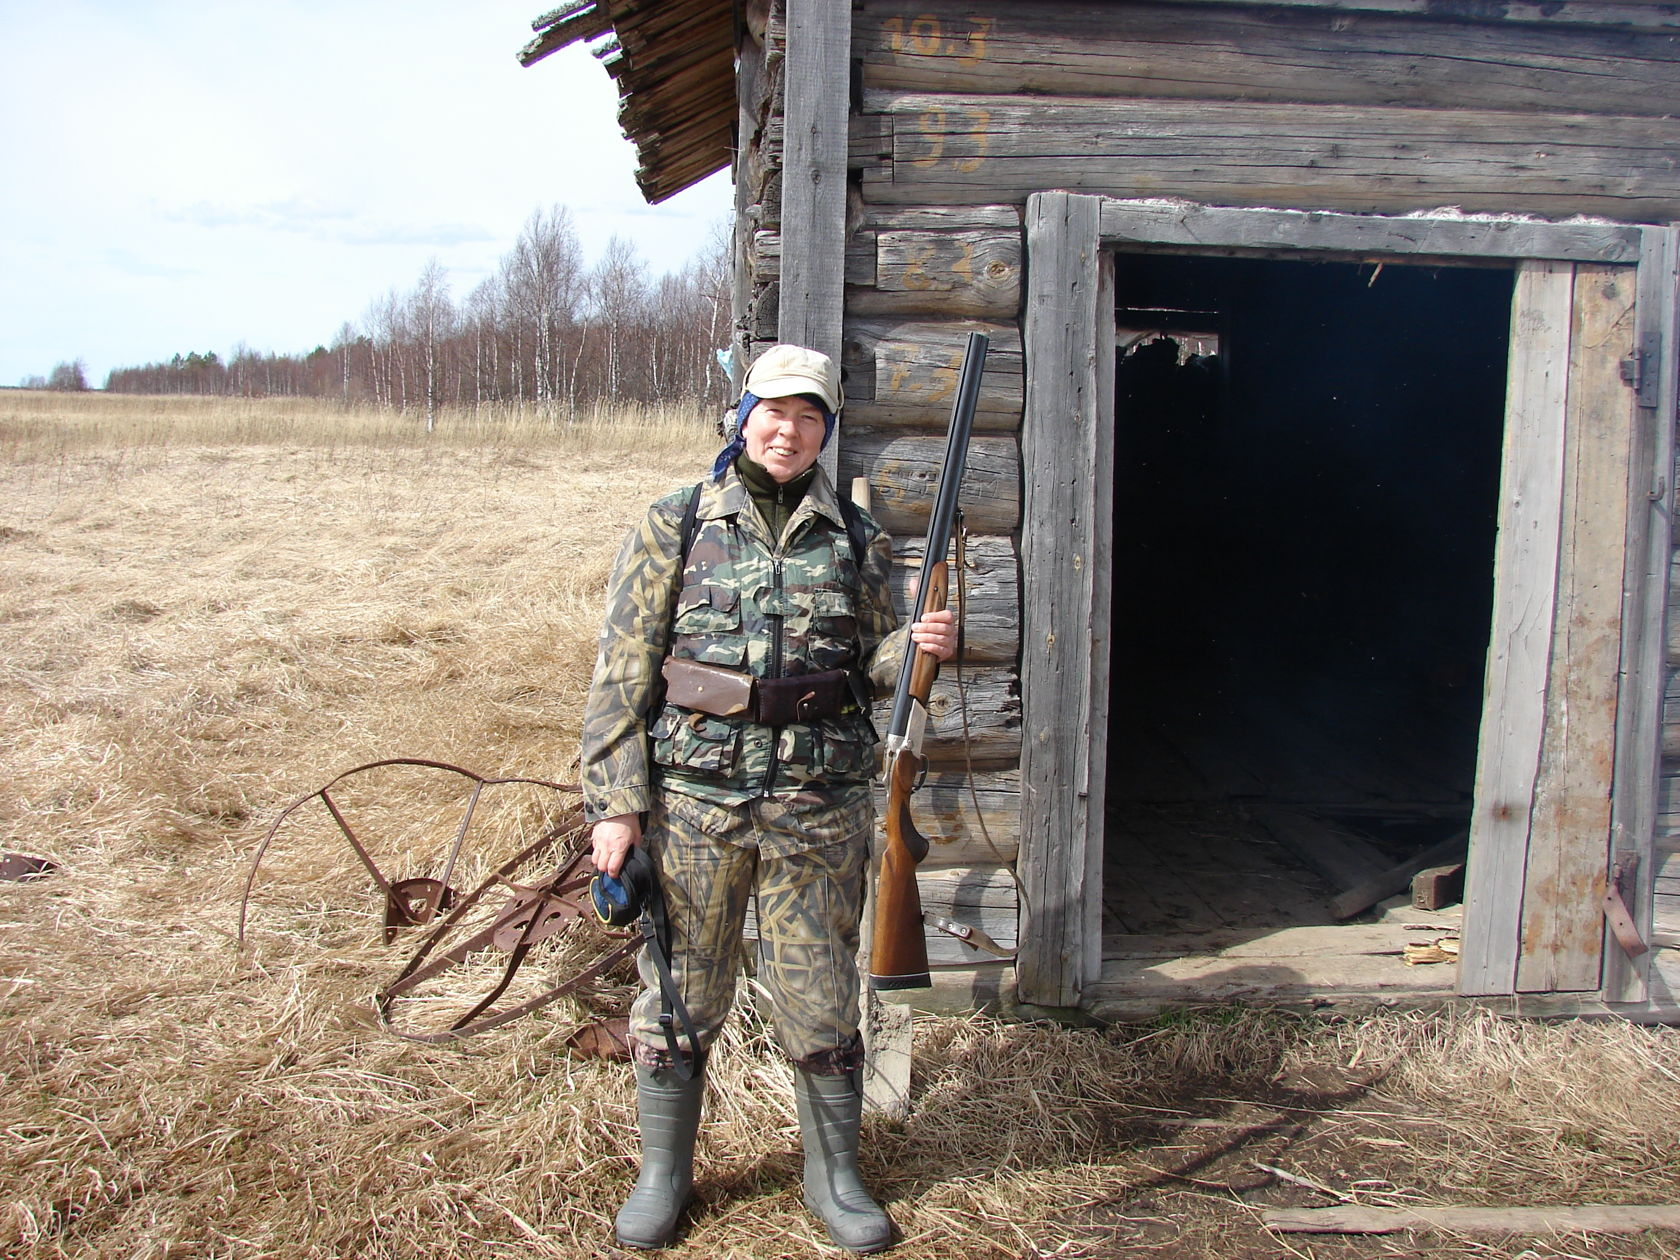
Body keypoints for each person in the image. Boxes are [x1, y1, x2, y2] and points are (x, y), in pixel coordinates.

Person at [580, 343, 956, 1253]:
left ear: (827, 430)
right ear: (742, 414)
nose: (788, 430)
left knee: (821, 999)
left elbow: (869, 673)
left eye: (810, 415)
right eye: (773, 411)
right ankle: (664, 1177)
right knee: (677, 995)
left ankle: (834, 1180)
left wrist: (917, 647)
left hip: (815, 810)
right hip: (694, 805)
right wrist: (617, 806)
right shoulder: (675, 523)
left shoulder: (857, 541)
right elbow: (623, 671)